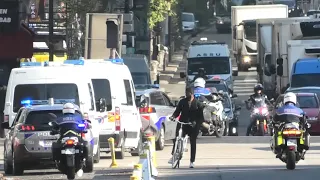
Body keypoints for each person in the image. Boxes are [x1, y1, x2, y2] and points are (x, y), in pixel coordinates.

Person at [168, 87, 205, 168]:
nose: (187, 95)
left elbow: (201, 117)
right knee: (177, 137)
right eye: (186, 93)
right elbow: (177, 111)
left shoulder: (198, 104)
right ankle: (174, 155)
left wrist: (195, 122)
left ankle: (192, 161)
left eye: (188, 94)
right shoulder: (182, 102)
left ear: (192, 94)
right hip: (183, 123)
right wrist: (173, 116)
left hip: (193, 125)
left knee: (193, 142)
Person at [272, 92, 309, 157]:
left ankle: (278, 150)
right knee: (304, 133)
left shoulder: (280, 110)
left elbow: (274, 120)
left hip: (285, 129)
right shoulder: (299, 110)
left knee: (277, 133)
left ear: (284, 100)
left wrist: (274, 124)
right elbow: (304, 121)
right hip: (296, 129)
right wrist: (305, 125)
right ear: (294, 100)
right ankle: (302, 150)